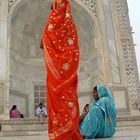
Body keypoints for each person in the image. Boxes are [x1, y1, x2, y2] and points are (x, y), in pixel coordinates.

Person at [41, 0, 83, 139]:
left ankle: (60, 134)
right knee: (69, 98)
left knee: (58, 99)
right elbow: (74, 46)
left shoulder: (50, 25)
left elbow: (43, 44)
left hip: (55, 77)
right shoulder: (70, 26)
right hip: (68, 73)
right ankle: (70, 134)